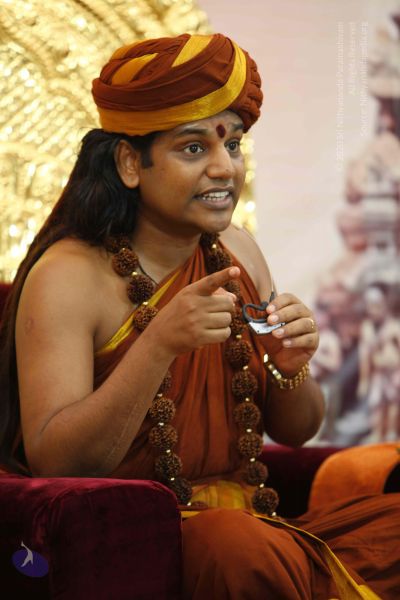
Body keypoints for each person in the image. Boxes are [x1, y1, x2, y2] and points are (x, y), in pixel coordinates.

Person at [0, 33, 398, 599]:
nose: (224, 169)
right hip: (146, 538)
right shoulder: (68, 275)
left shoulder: (239, 249)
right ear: (130, 163)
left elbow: (296, 429)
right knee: (237, 547)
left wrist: (289, 367)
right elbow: (55, 460)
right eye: (193, 148)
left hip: (259, 528)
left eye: (232, 144)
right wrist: (158, 343)